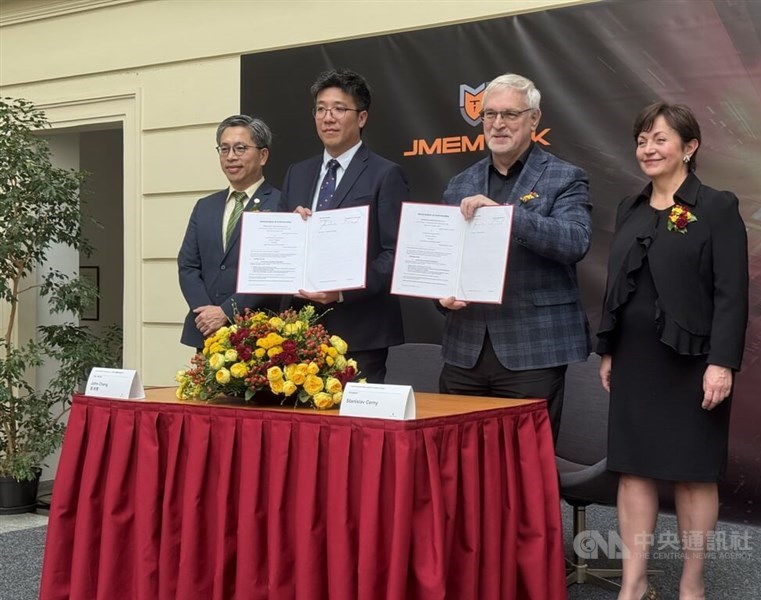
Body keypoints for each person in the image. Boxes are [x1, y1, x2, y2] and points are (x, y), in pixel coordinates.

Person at [596, 102, 749, 600]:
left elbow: (731, 292)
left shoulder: (716, 206)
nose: (648, 148)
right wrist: (610, 349)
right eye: (642, 138)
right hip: (635, 360)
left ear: (690, 147)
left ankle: (691, 585)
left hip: (693, 362)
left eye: (660, 139)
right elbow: (619, 287)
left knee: (692, 474)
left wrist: (721, 362)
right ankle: (634, 583)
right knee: (634, 470)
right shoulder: (630, 208)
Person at [438, 73, 592, 440]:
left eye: (510, 114)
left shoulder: (565, 177)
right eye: (490, 115)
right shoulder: (459, 184)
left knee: (524, 470)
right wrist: (440, 296)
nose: (498, 124)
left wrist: (506, 216)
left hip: (533, 351)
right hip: (465, 352)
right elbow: (445, 259)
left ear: (534, 118)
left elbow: (576, 241)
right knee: (459, 469)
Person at [278, 68, 408, 383]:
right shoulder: (298, 172)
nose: (328, 117)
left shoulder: (385, 174)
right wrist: (289, 231)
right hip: (301, 332)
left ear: (361, 118)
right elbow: (280, 246)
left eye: (339, 109)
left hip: (361, 334)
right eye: (321, 109)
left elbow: (395, 254)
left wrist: (341, 293)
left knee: (355, 430)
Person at [178, 114, 281, 349]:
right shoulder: (205, 206)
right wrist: (207, 314)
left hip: (259, 334)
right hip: (207, 333)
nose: (231, 157)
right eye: (224, 149)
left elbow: (272, 273)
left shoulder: (281, 205)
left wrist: (226, 312)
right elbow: (188, 266)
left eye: (240, 148)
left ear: (263, 155)